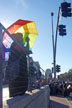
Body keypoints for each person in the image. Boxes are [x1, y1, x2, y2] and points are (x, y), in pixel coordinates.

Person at [5, 33, 31, 97]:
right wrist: (27, 42)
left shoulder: (19, 44)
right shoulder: (15, 44)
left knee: (20, 84)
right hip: (17, 68)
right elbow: (26, 51)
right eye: (20, 36)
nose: (22, 38)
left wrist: (27, 42)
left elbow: (27, 51)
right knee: (16, 85)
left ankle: (19, 92)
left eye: (21, 37)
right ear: (17, 37)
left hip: (19, 68)